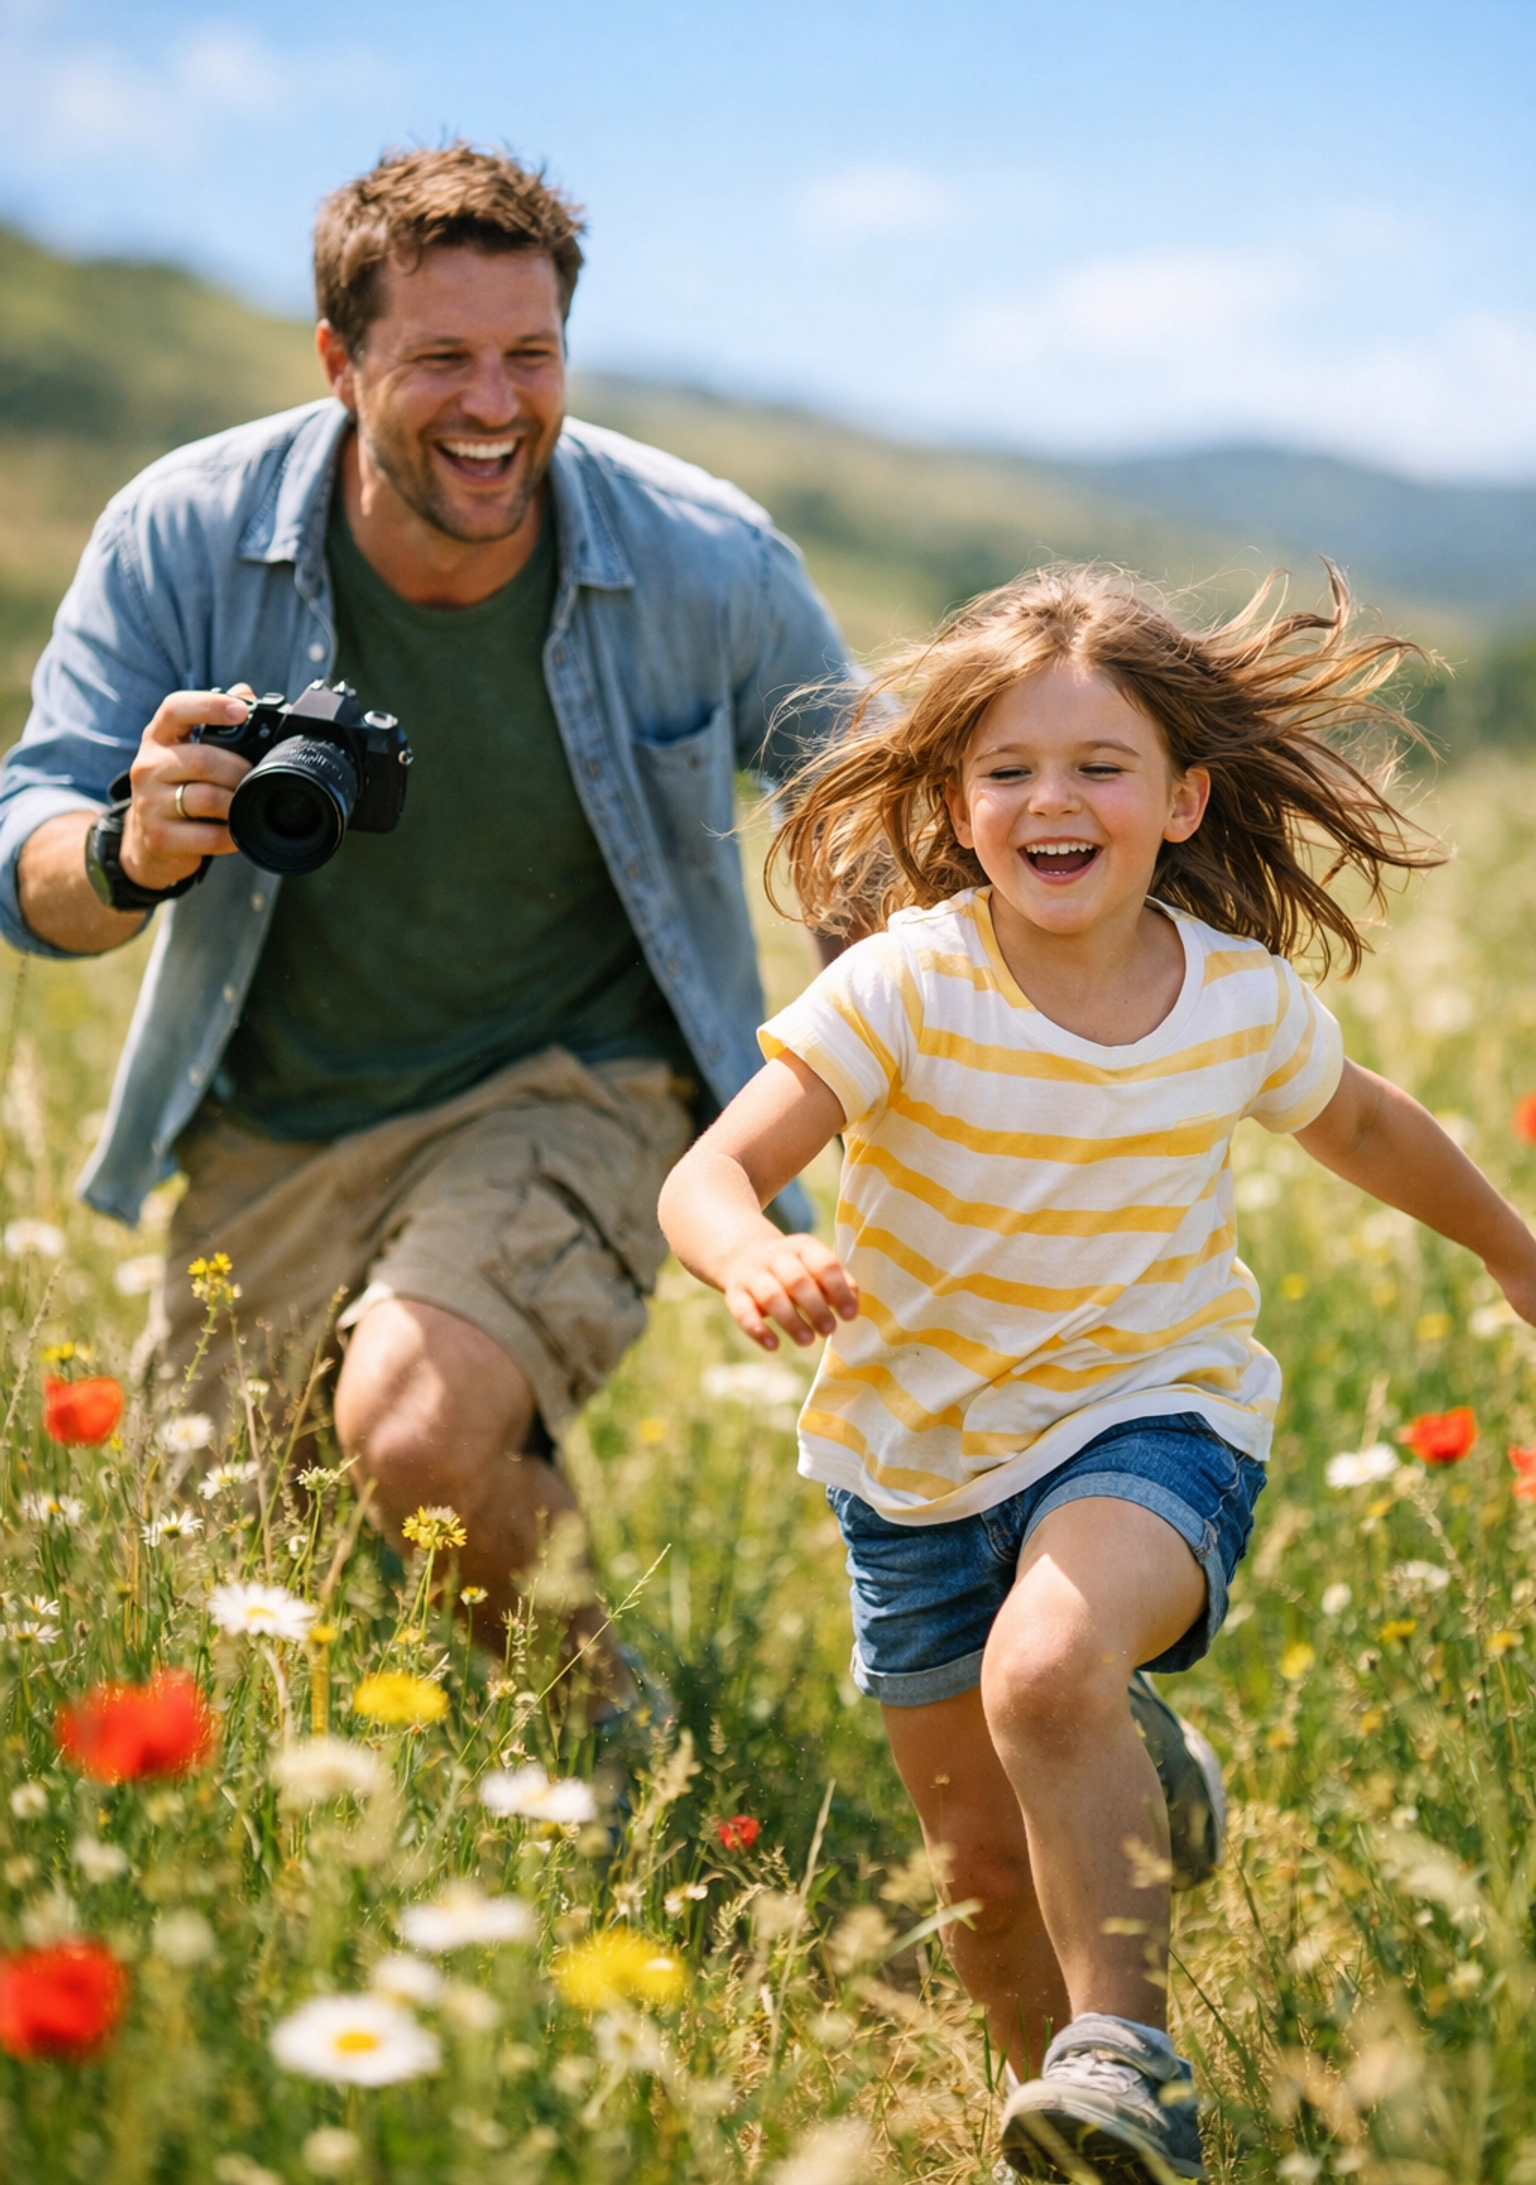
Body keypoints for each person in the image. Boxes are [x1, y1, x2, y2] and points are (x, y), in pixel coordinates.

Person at [658, 563, 1536, 2181]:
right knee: (984, 1874)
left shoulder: (1233, 1002)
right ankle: (1071, 2126)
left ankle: (1131, 2053)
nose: (1051, 799)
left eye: (1098, 765)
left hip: (1154, 1414)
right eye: (1008, 770)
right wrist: (748, 1252)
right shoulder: (909, 982)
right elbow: (709, 1175)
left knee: (1044, 1673)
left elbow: (1364, 1124)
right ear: (956, 802)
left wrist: (1509, 1245)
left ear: (1184, 798)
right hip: (914, 1467)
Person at [0, 142, 861, 1723]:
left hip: (580, 1084)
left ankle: (616, 1746)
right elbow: (30, 857)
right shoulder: (179, 535)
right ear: (339, 361)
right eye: (442, 359)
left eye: (531, 356)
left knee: (413, 1430)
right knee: (221, 1607)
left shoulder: (706, 556)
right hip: (275, 1125)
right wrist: (126, 848)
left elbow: (865, 806)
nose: (495, 405)